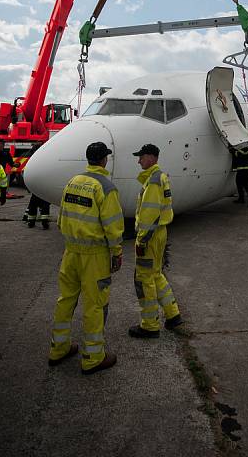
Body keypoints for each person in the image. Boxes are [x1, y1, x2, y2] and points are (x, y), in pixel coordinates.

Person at [48, 142, 124, 375]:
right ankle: (92, 356)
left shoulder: (73, 182)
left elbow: (61, 219)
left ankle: (58, 348)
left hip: (70, 252)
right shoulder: (106, 187)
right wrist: (117, 252)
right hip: (94, 256)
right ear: (104, 160)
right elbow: (113, 226)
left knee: (65, 300)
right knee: (95, 304)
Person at [129, 143, 182, 338]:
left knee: (144, 280)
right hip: (160, 234)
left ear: (151, 157)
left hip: (150, 237)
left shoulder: (152, 181)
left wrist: (141, 241)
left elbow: (149, 215)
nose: (139, 160)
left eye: (141, 157)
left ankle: (150, 325)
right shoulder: (161, 177)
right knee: (156, 274)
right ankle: (173, 314)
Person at [231, 143, 248, 207]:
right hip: (245, 166)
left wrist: (233, 151)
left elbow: (243, 153)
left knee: (242, 181)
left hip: (246, 166)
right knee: (243, 181)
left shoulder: (245, 144)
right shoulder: (246, 142)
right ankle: (244, 198)